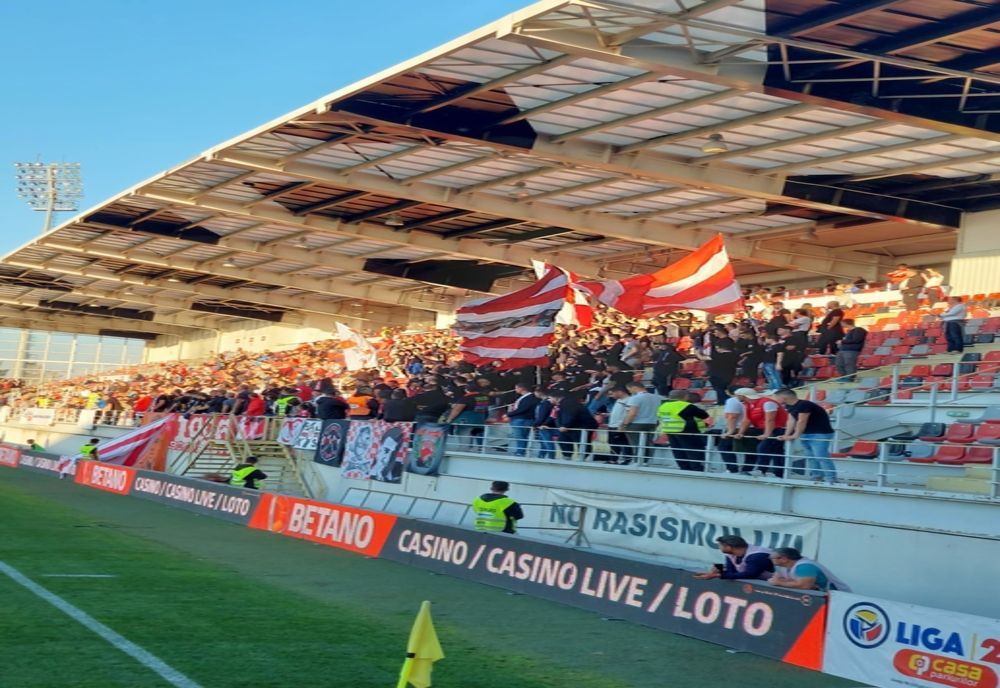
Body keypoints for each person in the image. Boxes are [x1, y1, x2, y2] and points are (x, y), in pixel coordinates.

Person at [775, 388, 837, 483]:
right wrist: (786, 435)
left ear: (784, 397)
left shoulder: (804, 404)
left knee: (821, 456)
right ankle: (816, 476)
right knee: (811, 457)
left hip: (820, 433)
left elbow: (802, 421)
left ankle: (831, 478)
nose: (776, 400)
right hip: (807, 433)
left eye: (777, 398)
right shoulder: (789, 406)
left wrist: (795, 435)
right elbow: (791, 420)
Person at [734, 388, 787, 478]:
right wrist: (740, 432)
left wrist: (767, 434)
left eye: (737, 395)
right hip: (764, 428)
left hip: (778, 429)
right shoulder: (748, 404)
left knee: (764, 447)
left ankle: (762, 470)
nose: (736, 397)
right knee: (776, 451)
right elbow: (747, 420)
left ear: (743, 396)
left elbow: (770, 420)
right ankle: (779, 473)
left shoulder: (767, 403)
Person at [655, 389, 709, 471]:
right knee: (693, 450)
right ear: (685, 396)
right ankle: (697, 469)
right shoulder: (685, 405)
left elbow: (660, 417)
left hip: (669, 430)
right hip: (685, 430)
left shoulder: (663, 406)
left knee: (678, 451)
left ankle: (684, 468)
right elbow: (704, 415)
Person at [694, 535, 774, 581]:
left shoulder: (757, 556)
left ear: (728, 547)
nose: (719, 547)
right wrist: (719, 568)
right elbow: (732, 572)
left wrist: (718, 575)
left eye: (720, 545)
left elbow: (750, 574)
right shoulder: (731, 554)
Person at [769, 547, 851, 592]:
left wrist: (779, 583)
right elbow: (776, 579)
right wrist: (784, 582)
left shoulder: (805, 566)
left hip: (839, 596)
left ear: (784, 559)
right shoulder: (780, 566)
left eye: (772, 558)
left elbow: (804, 586)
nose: (770, 559)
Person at [620, 381, 661, 464]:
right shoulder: (657, 397)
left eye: (629, 389)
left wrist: (624, 424)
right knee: (648, 443)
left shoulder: (635, 398)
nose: (629, 392)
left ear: (634, 387)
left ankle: (637, 462)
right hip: (652, 423)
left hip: (636, 424)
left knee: (636, 444)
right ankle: (646, 461)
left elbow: (632, 413)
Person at [715, 385, 746, 473]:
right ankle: (747, 469)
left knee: (724, 447)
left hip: (736, 427)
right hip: (749, 427)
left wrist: (729, 431)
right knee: (749, 449)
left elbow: (732, 416)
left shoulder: (732, 401)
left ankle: (732, 469)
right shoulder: (749, 401)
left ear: (729, 392)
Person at [507, 383, 539, 457]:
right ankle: (521, 451)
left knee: (520, 436)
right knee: (522, 436)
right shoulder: (526, 397)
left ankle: (520, 451)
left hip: (522, 419)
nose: (516, 390)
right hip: (522, 419)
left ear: (522, 388)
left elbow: (523, 409)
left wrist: (509, 414)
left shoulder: (529, 397)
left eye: (516, 388)